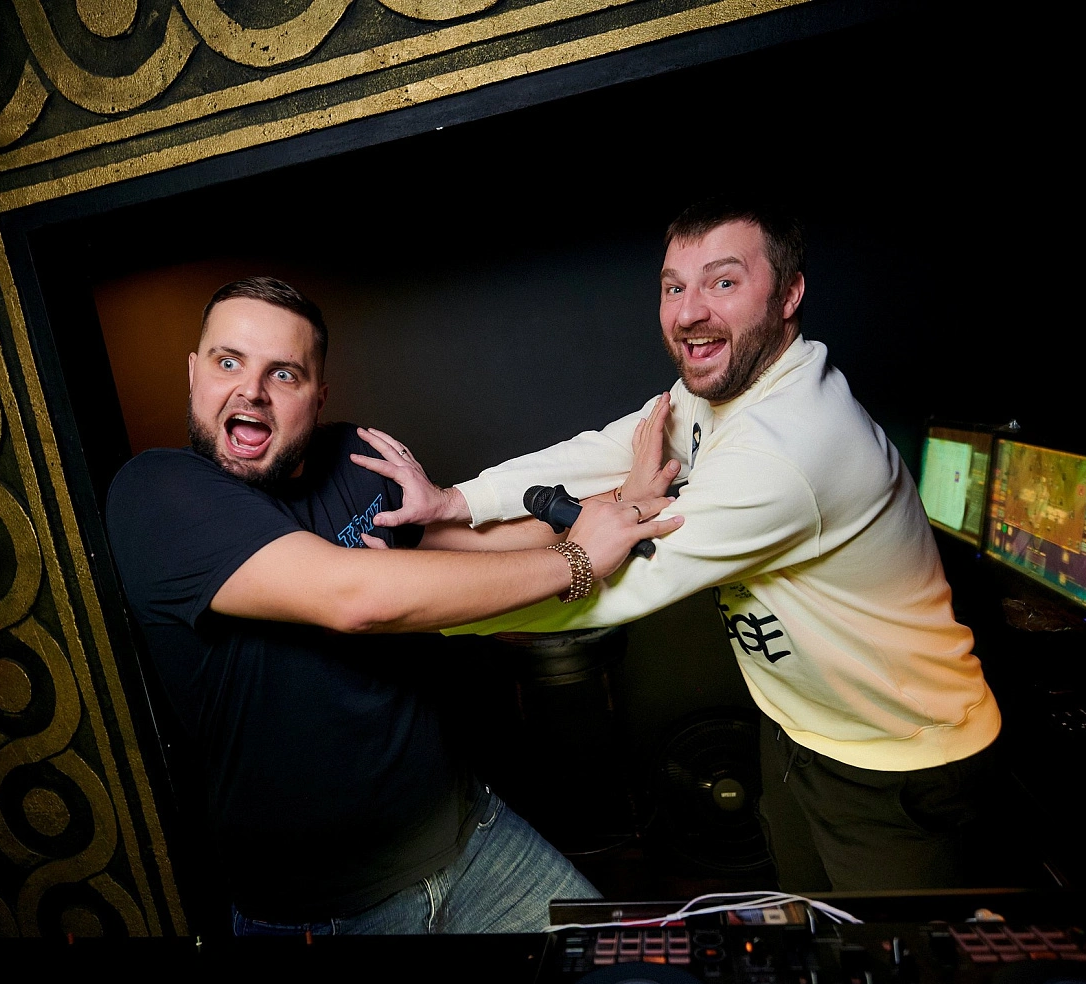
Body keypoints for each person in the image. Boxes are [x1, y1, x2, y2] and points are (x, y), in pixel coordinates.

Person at [357, 196, 1003, 892]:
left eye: (723, 282)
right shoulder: (726, 391)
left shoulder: (789, 448)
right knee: (808, 925)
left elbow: (605, 587)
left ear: (789, 294)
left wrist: (411, 601)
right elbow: (611, 448)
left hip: (902, 757)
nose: (689, 312)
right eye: (674, 287)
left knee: (888, 962)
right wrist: (458, 500)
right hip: (798, 726)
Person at [104, 276, 679, 935]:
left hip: (473, 840)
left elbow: (454, 550)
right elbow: (355, 597)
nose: (251, 391)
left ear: (318, 396)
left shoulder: (353, 455)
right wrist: (576, 561)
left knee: (623, 980)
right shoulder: (156, 495)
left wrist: (611, 509)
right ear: (193, 373)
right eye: (227, 362)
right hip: (328, 913)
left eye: (283, 373)